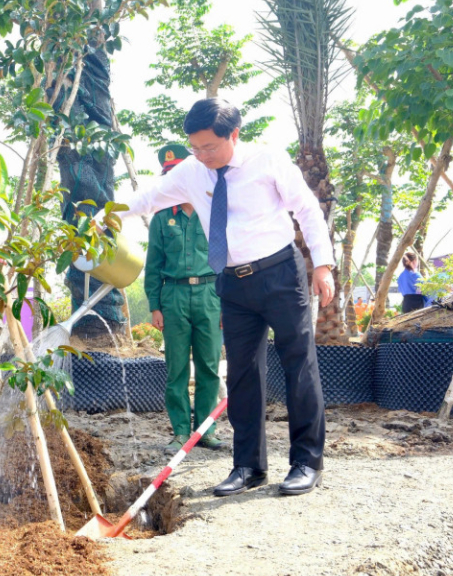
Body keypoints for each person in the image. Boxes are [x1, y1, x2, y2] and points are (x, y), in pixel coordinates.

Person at [117, 99, 335, 496]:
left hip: (280, 275)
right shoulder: (191, 170)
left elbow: (307, 208)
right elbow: (146, 198)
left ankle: (306, 462)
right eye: (194, 148)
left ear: (234, 134)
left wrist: (321, 265)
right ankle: (248, 466)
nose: (201, 155)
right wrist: (101, 217)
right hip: (232, 283)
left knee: (298, 366)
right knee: (241, 374)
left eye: (209, 147)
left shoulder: (267, 161)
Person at [145, 143, 225, 453]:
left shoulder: (214, 214)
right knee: (176, 368)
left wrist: (226, 304)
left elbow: (228, 260)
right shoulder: (162, 219)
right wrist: (154, 306)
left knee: (208, 367)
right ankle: (180, 432)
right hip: (174, 296)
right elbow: (152, 266)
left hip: (210, 296)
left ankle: (205, 431)